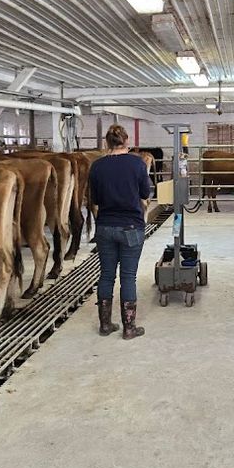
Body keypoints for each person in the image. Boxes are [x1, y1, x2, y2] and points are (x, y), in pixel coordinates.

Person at [88, 124, 153, 340]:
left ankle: (105, 325)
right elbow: (145, 192)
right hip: (131, 227)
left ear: (107, 142)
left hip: (105, 226)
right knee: (128, 277)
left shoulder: (97, 166)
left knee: (106, 275)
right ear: (126, 140)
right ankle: (129, 328)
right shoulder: (136, 164)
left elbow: (95, 199)